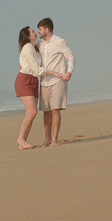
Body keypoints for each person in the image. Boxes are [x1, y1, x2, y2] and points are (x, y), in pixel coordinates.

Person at [15, 26, 62, 150]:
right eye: (32, 31)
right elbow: (36, 69)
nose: (35, 32)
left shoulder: (34, 48)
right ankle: (20, 138)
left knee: (30, 113)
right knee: (32, 112)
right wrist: (53, 72)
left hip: (34, 80)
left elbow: (34, 66)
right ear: (28, 36)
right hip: (25, 80)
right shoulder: (27, 47)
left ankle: (23, 142)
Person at [37, 17, 75, 146]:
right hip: (44, 81)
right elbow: (33, 58)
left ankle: (54, 139)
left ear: (47, 29)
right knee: (46, 111)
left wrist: (69, 72)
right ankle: (47, 138)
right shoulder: (39, 44)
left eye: (40, 29)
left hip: (58, 80)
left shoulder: (60, 42)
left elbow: (71, 56)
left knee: (55, 109)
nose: (38, 32)